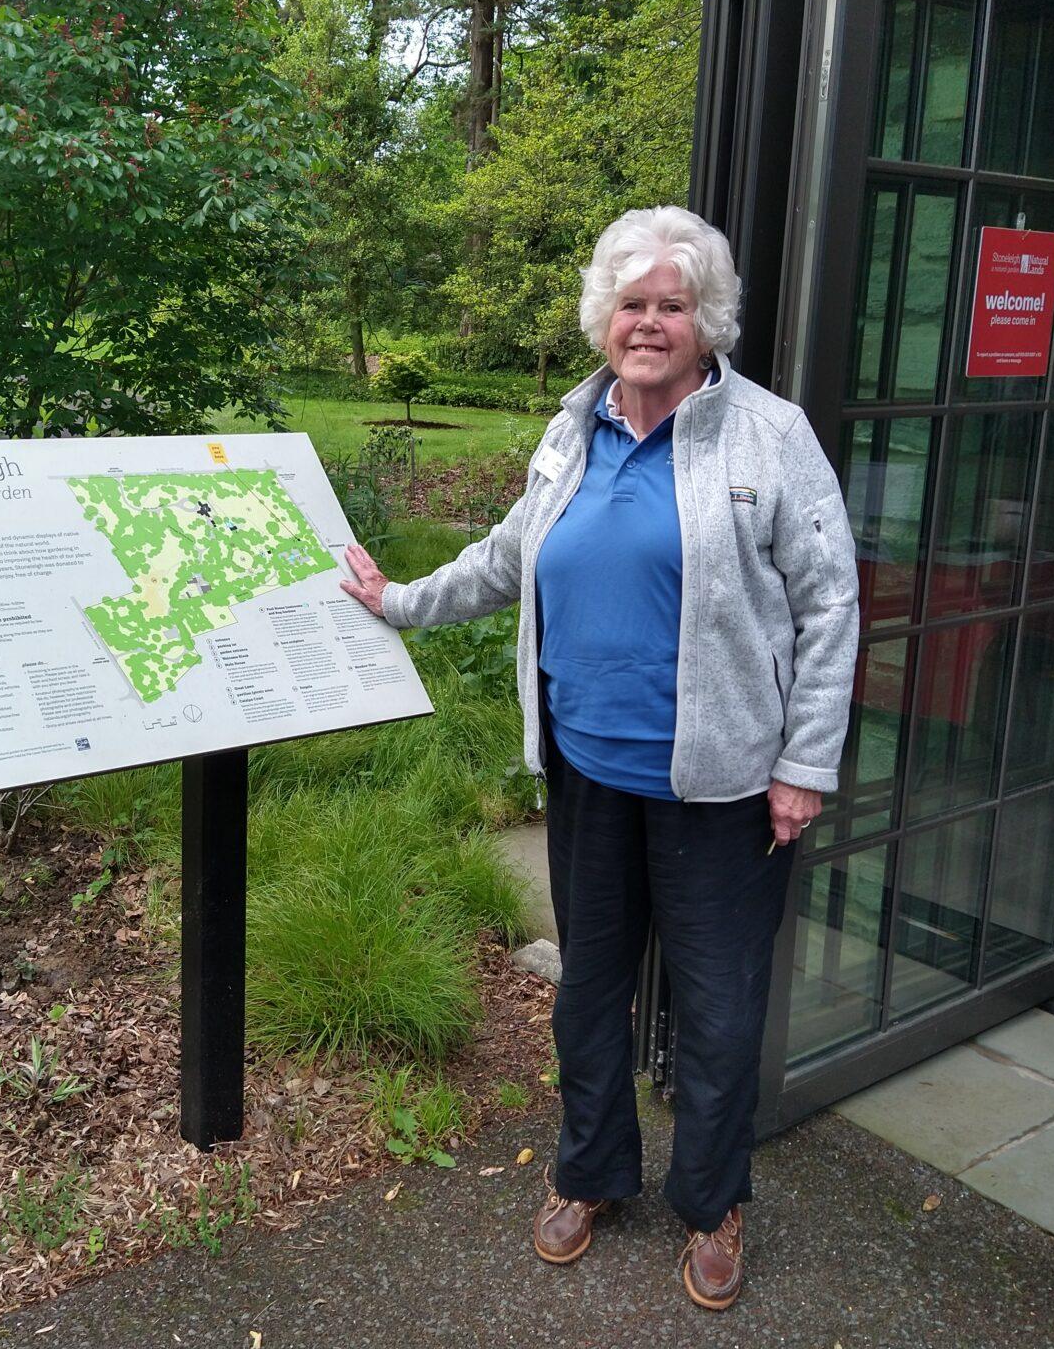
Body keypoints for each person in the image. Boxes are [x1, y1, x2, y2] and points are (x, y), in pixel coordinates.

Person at [340, 206, 859, 1311]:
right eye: (632, 304)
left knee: (718, 1013)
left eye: (674, 304)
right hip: (586, 775)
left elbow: (830, 605)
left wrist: (804, 764)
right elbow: (508, 556)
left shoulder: (770, 436)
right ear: (604, 317)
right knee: (590, 997)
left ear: (706, 321)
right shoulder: (573, 428)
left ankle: (712, 1202)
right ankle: (589, 1174)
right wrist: (399, 601)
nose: (650, 323)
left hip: (724, 787)